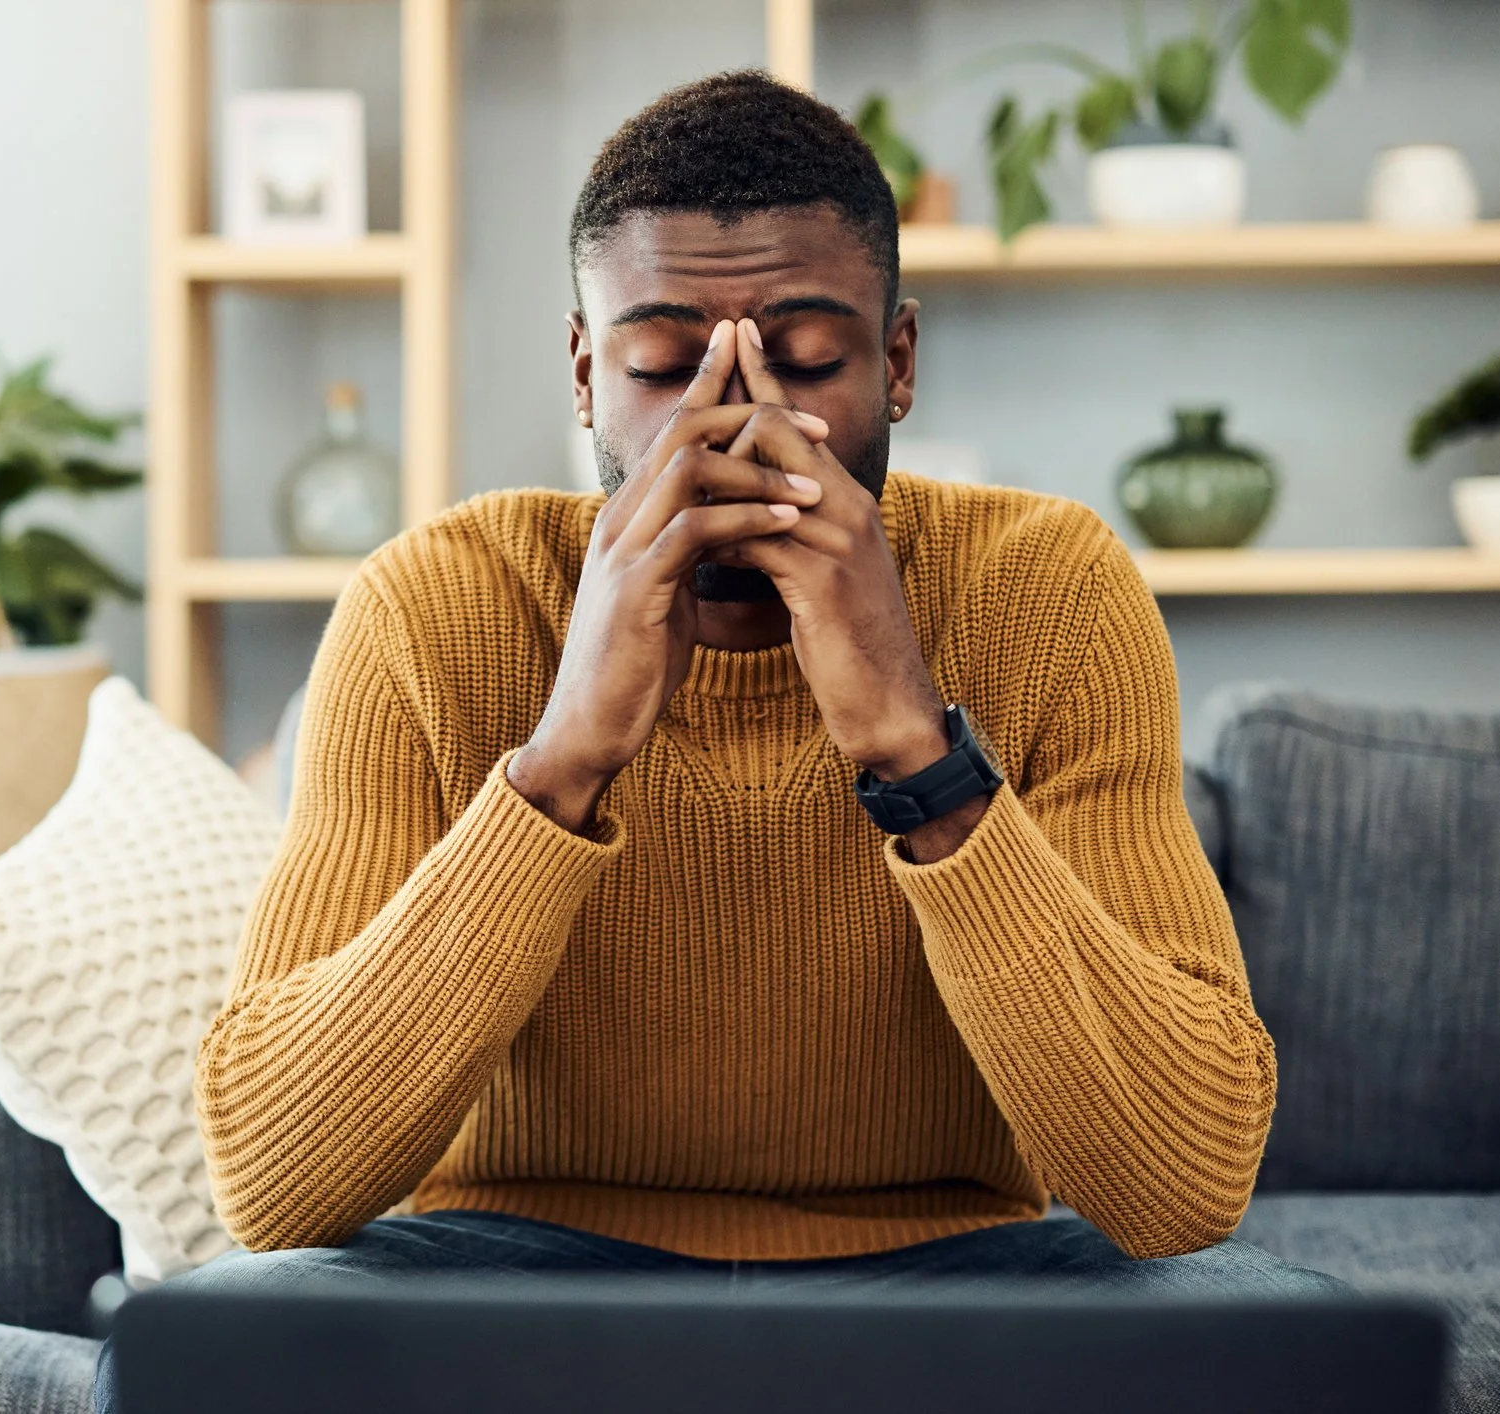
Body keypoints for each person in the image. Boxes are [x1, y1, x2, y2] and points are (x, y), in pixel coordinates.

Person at [97, 66, 1338, 1413]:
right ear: (584, 370)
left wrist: (915, 750)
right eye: (657, 366)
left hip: (955, 1267)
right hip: (502, 1270)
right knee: (215, 1343)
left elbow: (1184, 1187)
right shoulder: (429, 607)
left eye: (806, 362)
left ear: (898, 362)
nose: (738, 426)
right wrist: (563, 756)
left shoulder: (1050, 592)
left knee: (1283, 1341)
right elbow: (277, 1184)